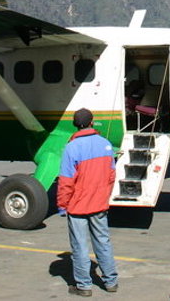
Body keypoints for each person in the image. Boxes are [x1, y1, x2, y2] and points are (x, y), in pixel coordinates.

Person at [57, 108, 119, 297]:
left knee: (80, 246)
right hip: (99, 203)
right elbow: (111, 175)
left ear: (75, 125)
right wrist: (104, 195)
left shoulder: (71, 148)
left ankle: (84, 286)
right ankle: (111, 281)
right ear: (92, 122)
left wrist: (62, 205)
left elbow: (66, 181)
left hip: (78, 206)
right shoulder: (105, 144)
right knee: (103, 241)